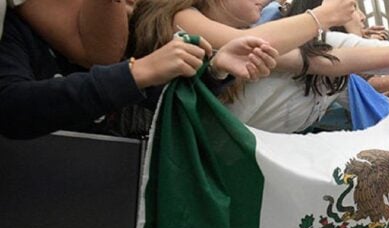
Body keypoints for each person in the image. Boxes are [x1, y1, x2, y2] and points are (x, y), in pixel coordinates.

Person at [0, 4, 278, 139]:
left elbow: (159, 103)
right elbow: (11, 107)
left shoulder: (124, 34)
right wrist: (136, 73)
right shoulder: (19, 31)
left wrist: (214, 71)